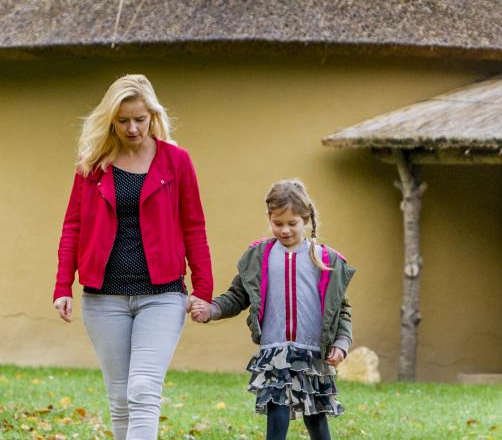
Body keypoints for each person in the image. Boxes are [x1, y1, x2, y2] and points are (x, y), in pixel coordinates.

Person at [52, 74, 215, 440]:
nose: (132, 128)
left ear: (152, 116)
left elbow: (194, 226)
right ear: (111, 119)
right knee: (121, 398)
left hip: (162, 295)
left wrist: (203, 288)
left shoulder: (176, 161)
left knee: (142, 389)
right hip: (103, 297)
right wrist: (63, 284)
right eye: (123, 120)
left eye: (140, 119)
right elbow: (73, 226)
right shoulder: (92, 164)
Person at [192, 179, 354, 440]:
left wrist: (342, 342)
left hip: (312, 351)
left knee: (316, 419)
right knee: (276, 412)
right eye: (278, 223)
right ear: (269, 218)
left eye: (292, 223)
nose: (285, 230)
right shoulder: (258, 257)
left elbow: (341, 309)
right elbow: (237, 295)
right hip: (275, 349)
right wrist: (212, 310)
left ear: (306, 220)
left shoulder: (325, 260)